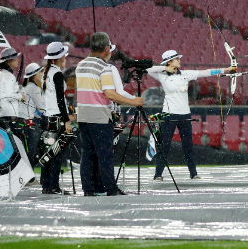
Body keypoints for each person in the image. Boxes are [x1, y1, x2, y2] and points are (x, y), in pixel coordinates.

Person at [147, 50, 234, 181]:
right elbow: (147, 69)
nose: (180, 61)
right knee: (165, 146)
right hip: (168, 115)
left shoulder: (186, 74)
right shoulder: (162, 75)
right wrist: (165, 67)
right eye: (177, 59)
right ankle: (158, 174)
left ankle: (193, 173)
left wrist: (226, 70)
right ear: (169, 61)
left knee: (188, 146)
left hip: (185, 115)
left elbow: (207, 72)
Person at [76, 33, 143, 196]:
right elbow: (110, 94)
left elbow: (91, 92)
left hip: (83, 115)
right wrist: (134, 102)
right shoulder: (104, 68)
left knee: (87, 155)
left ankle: (89, 189)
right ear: (106, 49)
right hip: (99, 117)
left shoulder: (80, 65)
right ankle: (110, 189)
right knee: (105, 155)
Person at [36, 42, 74, 195]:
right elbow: (60, 99)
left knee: (48, 152)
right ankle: (53, 186)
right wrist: (66, 120)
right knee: (56, 153)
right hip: (56, 118)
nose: (66, 57)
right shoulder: (57, 73)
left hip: (47, 117)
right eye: (64, 55)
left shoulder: (46, 72)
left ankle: (46, 184)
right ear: (59, 57)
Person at [0, 48, 27, 146]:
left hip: (2, 115)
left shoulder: (1, 75)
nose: (17, 61)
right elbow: (8, 96)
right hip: (10, 117)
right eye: (15, 58)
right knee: (16, 146)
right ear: (9, 61)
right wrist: (20, 96)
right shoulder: (9, 76)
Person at [19, 62, 45, 166]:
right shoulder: (34, 88)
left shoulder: (28, 87)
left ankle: (27, 177)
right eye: (40, 72)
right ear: (34, 75)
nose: (42, 74)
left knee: (28, 151)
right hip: (29, 123)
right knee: (31, 151)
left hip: (24, 121)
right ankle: (29, 177)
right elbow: (42, 108)